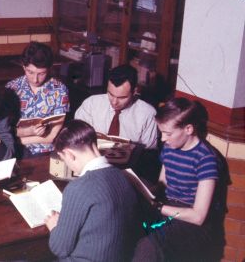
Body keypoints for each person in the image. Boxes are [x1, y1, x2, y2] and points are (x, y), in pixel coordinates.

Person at [132, 98, 227, 262]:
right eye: (161, 133)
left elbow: (198, 216)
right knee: (125, 227)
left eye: (168, 134)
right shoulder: (169, 148)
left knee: (148, 246)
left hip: (191, 222)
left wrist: (158, 207)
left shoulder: (206, 159)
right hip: (168, 210)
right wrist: (142, 191)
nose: (162, 139)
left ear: (188, 129)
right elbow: (162, 185)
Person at [44, 120, 139, 261]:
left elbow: (60, 248)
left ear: (69, 154)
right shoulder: (125, 175)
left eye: (63, 159)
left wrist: (53, 226)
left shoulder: (78, 188)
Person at [6, 41, 69, 157]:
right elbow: (5, 130)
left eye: (41, 73)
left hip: (45, 151)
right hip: (14, 148)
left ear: (49, 69)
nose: (35, 79)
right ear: (23, 67)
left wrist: (19, 138)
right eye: (30, 72)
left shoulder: (59, 90)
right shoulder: (12, 88)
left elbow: (51, 137)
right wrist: (30, 132)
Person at [75, 64, 158, 149]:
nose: (114, 102)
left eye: (122, 97)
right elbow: (76, 138)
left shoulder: (148, 114)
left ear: (134, 91)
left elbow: (148, 153)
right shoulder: (91, 104)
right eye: (110, 94)